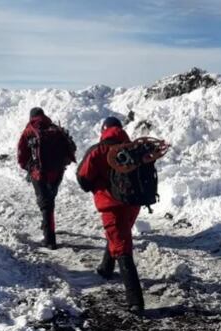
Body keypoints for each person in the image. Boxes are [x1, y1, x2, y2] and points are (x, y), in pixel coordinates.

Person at [77, 116, 144, 314]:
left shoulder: (98, 150)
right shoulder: (134, 148)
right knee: (118, 235)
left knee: (122, 246)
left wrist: (99, 182)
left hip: (111, 204)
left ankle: (136, 301)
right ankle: (106, 268)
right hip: (133, 204)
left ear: (103, 130)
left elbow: (83, 179)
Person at [17, 107, 76, 248]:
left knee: (45, 204)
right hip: (57, 171)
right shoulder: (55, 128)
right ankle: (47, 224)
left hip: (39, 173)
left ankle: (50, 239)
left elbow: (21, 154)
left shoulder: (29, 130)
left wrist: (29, 168)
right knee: (49, 200)